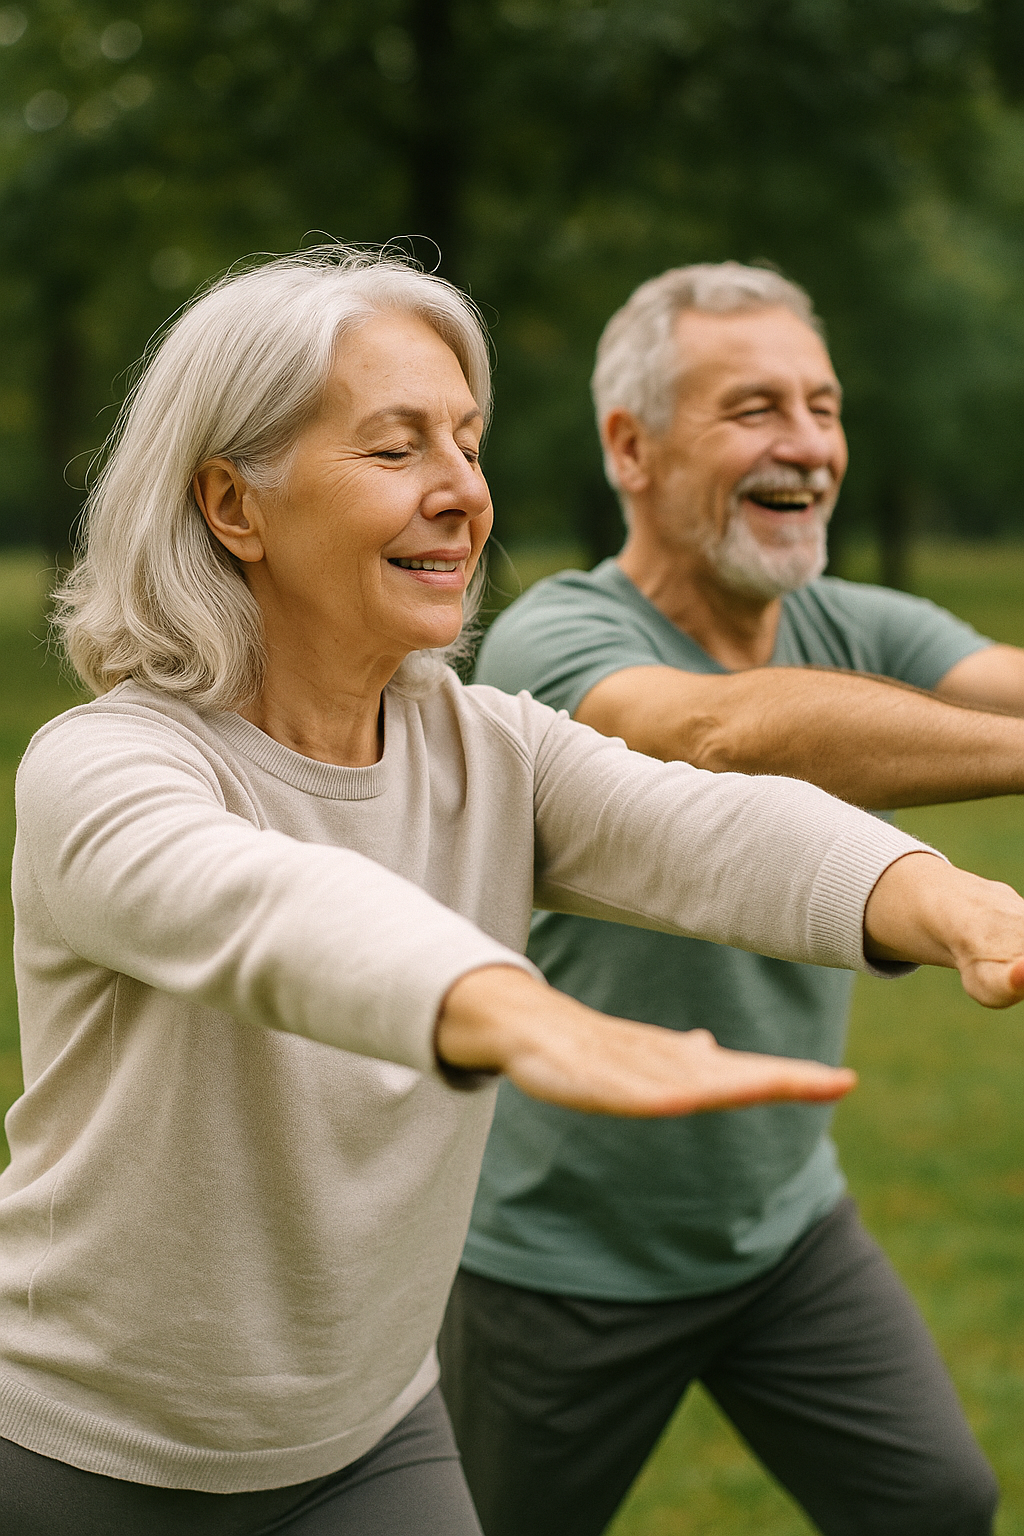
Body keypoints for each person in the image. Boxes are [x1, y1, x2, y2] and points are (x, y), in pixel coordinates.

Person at [6, 247, 1014, 1535]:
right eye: (395, 449)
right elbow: (275, 913)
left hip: (368, 1440)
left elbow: (713, 829)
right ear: (233, 505)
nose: (462, 494)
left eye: (467, 445)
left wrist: (958, 907)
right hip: (80, 1451)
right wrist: (521, 1013)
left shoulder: (489, 745)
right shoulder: (106, 766)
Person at [440, 262, 1024, 1536]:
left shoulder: (855, 624)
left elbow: (1005, 684)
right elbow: (716, 739)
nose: (807, 444)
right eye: (756, 408)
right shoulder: (555, 639)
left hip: (782, 1234)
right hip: (554, 1266)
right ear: (630, 446)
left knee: (936, 1504)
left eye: (821, 405)